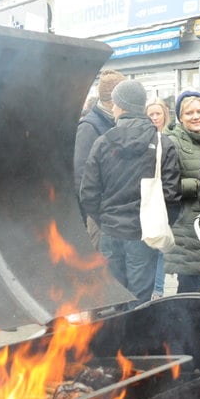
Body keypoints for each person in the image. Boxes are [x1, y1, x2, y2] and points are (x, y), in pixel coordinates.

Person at [79, 80, 181, 308]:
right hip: (144, 234)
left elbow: (88, 193)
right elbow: (172, 194)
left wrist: (105, 220)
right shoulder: (161, 142)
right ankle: (136, 342)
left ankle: (114, 342)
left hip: (110, 232)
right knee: (140, 302)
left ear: (120, 105)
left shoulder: (102, 142)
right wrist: (159, 224)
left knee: (112, 300)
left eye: (114, 104)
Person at [162, 92, 200, 293]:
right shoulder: (171, 142)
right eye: (189, 113)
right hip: (187, 228)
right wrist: (199, 185)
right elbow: (166, 185)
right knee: (189, 290)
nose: (196, 116)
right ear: (180, 117)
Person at [74, 69, 125, 249]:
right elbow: (81, 177)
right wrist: (98, 214)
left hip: (119, 217)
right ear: (115, 99)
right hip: (101, 219)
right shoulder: (89, 127)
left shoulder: (118, 122)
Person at [145, 96, 172, 298]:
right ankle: (156, 289)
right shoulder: (146, 139)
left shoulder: (171, 138)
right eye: (151, 114)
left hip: (165, 200)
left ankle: (158, 290)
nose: (155, 118)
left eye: (158, 113)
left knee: (161, 248)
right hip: (152, 200)